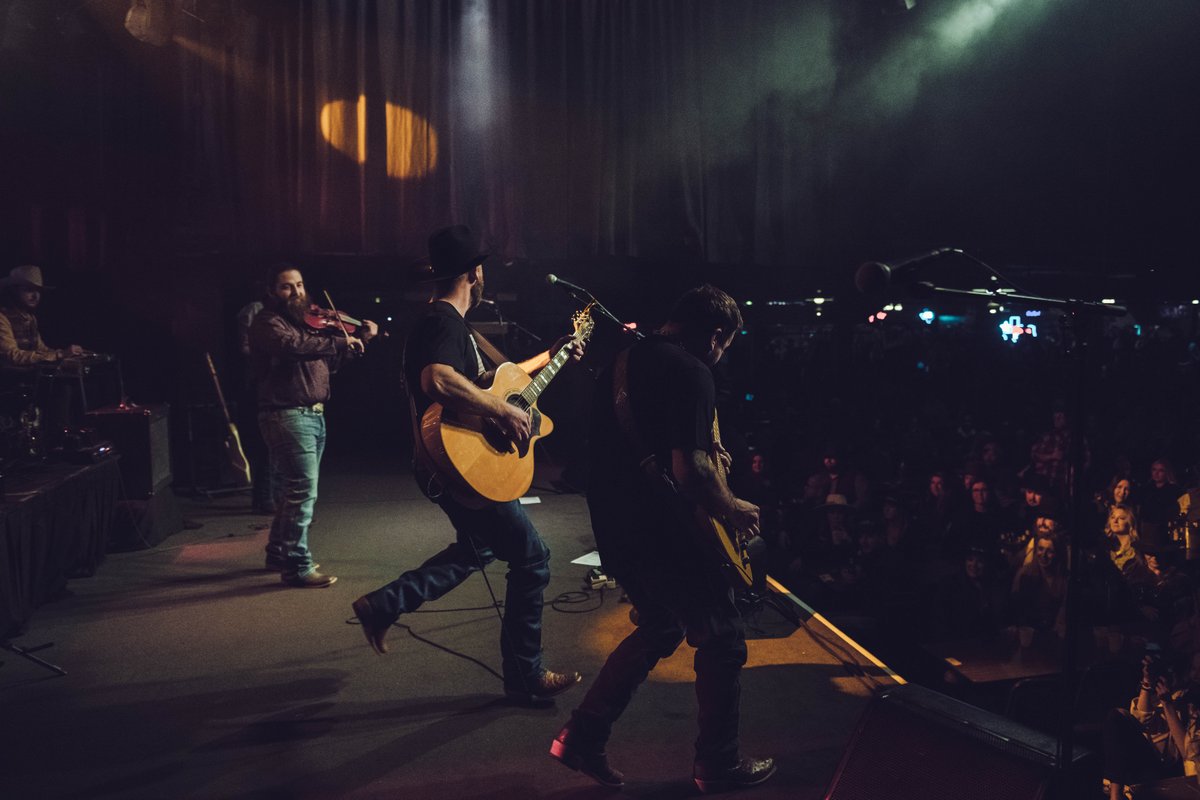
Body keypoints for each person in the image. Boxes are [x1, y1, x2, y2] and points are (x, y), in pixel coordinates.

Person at [550, 284, 775, 793]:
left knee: (660, 626)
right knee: (722, 637)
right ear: (715, 334)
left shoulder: (622, 363)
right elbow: (691, 469)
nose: (721, 355)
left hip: (614, 528)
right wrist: (733, 506)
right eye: (725, 344)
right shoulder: (691, 370)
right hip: (665, 532)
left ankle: (582, 736)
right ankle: (718, 763)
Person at [351, 224, 584, 706]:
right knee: (533, 558)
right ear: (475, 273)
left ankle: (385, 604)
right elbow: (437, 380)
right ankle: (525, 674)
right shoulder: (444, 321)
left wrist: (554, 354)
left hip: (447, 465)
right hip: (457, 466)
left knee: (479, 548)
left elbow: (494, 382)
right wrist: (502, 412)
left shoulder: (446, 323)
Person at [249, 264, 376, 588]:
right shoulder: (267, 322)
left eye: (300, 285)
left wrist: (357, 340)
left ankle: (278, 552)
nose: (297, 292)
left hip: (312, 415)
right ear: (271, 291)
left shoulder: (306, 326)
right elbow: (291, 347)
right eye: (287, 286)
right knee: (302, 491)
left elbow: (326, 365)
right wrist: (338, 341)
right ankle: (296, 566)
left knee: (294, 490)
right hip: (287, 415)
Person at [0, 265, 84, 367]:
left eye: (38, 291)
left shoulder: (30, 318)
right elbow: (12, 355)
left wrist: (68, 354)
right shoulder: (2, 317)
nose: (35, 296)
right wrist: (59, 355)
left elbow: (40, 349)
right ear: (13, 291)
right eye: (28, 290)